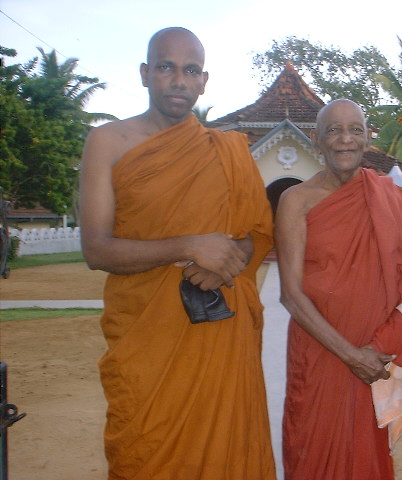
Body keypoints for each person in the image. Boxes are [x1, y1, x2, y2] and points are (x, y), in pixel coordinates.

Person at [79, 27, 275, 480]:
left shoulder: (227, 151)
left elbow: (256, 235)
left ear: (204, 81)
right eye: (166, 67)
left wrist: (225, 263)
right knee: (145, 453)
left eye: (190, 71)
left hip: (218, 335)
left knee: (227, 454)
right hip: (147, 340)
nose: (178, 80)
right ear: (147, 74)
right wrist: (188, 246)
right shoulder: (108, 143)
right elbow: (96, 248)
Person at [275, 98, 402, 479]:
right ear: (316, 139)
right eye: (333, 130)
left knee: (367, 456)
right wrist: (350, 355)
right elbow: (291, 294)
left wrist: (382, 344)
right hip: (320, 353)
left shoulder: (389, 196)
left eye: (355, 130)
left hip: (373, 353)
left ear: (367, 139)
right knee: (311, 449)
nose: (345, 139)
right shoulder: (295, 200)